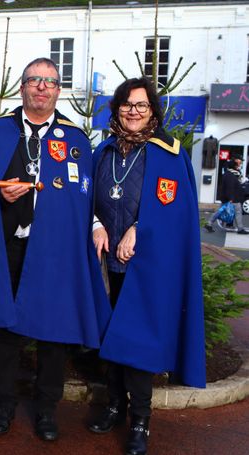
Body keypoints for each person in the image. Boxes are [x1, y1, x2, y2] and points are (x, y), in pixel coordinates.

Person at [0, 57, 111, 442]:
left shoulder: (75, 139)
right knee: (5, 332)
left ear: (58, 90)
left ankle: (46, 411)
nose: (42, 87)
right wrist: (0, 195)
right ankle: (4, 406)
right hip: (9, 244)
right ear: (22, 87)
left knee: (54, 333)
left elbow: (86, 196)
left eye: (50, 82)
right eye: (34, 80)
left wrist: (95, 225)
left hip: (57, 251)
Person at [89, 77, 205, 455]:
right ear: (117, 109)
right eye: (127, 104)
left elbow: (176, 212)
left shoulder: (168, 154)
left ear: (153, 111)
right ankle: (114, 406)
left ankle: (140, 420)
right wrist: (96, 224)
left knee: (137, 343)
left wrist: (140, 229)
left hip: (148, 266)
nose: (133, 111)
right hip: (107, 262)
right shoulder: (104, 151)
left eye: (141, 105)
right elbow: (85, 198)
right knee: (110, 335)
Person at [204, 158, 248, 234]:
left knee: (220, 211)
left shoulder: (230, 174)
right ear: (233, 166)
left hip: (229, 197)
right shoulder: (230, 175)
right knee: (238, 212)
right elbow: (229, 187)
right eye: (237, 165)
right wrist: (231, 198)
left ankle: (209, 223)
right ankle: (240, 229)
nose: (239, 166)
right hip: (233, 197)